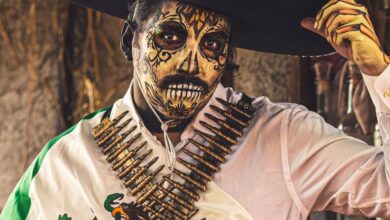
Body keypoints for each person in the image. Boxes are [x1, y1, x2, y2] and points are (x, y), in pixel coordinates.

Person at [1, 0, 390, 219]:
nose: (192, 63)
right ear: (131, 40)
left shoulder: (284, 136)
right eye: (170, 36)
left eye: (212, 45)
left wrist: (380, 73)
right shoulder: (65, 163)